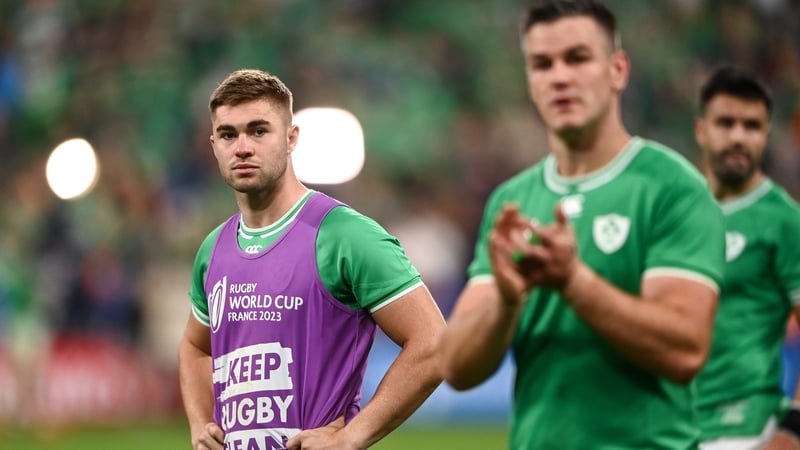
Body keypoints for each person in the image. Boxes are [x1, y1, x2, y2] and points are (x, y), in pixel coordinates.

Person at [437, 1, 726, 448]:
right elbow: (455, 366)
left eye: (578, 58)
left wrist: (573, 282)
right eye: (542, 64)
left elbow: (686, 349)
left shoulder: (673, 188)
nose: (559, 76)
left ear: (618, 70)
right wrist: (507, 304)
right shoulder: (512, 201)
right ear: (530, 80)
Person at [177, 69, 445, 450]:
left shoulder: (345, 236)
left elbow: (433, 342)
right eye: (228, 134)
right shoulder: (213, 249)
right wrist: (200, 422)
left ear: (291, 139)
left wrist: (353, 435)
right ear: (214, 144)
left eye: (258, 130)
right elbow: (194, 347)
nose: (242, 147)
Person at [694, 66, 800, 450]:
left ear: (766, 136)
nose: (739, 136)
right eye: (726, 123)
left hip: (744, 429)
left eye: (752, 126)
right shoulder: (678, 212)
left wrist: (794, 429)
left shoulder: (784, 220)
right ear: (701, 130)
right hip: (671, 427)